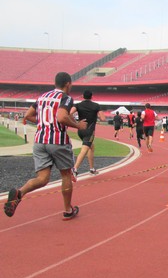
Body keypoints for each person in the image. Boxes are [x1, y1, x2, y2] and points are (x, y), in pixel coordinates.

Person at [3, 72, 88, 220]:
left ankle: (19, 193)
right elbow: (61, 117)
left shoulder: (42, 97)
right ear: (68, 84)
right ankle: (68, 209)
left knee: (42, 178)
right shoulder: (66, 98)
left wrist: (43, 123)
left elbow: (28, 115)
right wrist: (78, 125)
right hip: (57, 141)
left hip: (40, 141)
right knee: (66, 174)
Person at [70, 90, 106, 177]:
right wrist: (95, 115)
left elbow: (69, 113)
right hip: (89, 131)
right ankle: (74, 169)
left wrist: (76, 122)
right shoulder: (96, 106)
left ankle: (92, 168)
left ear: (83, 96)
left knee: (91, 147)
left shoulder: (78, 105)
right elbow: (103, 119)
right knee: (84, 150)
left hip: (80, 130)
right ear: (91, 97)